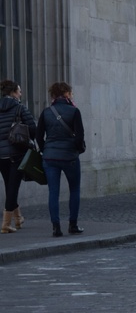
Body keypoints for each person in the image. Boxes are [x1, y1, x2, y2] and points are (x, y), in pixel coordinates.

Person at [36, 82, 86, 237]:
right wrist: (78, 149)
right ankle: (73, 224)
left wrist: (46, 150)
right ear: (66, 94)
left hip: (50, 157)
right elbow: (80, 137)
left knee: (53, 192)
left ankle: (56, 227)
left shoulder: (46, 112)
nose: (72, 95)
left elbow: (38, 136)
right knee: (75, 189)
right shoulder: (74, 111)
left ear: (53, 96)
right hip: (69, 156)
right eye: (70, 93)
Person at [0, 80, 37, 233]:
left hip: (0, 154)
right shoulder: (20, 108)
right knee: (13, 187)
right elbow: (33, 129)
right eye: (19, 91)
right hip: (16, 153)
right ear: (14, 92)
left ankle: (18, 218)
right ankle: (6, 224)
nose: (21, 94)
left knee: (9, 186)